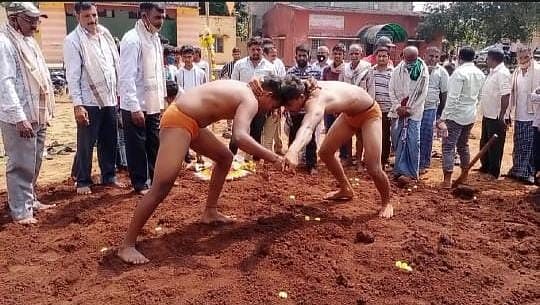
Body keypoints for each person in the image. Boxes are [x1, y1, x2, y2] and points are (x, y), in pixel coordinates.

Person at [117, 77, 288, 264]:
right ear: (268, 95)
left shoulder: (247, 89)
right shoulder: (251, 100)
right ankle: (127, 245)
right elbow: (239, 137)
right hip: (179, 119)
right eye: (273, 105)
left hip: (192, 122)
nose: (270, 110)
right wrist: (274, 158)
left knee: (225, 158)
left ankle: (210, 211)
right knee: (161, 186)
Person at [251, 76, 395, 218]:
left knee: (373, 166)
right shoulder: (300, 85)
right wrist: (256, 80)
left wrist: (293, 150)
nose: (287, 109)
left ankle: (386, 202)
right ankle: (346, 189)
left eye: (288, 105)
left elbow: (308, 127)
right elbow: (273, 80)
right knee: (325, 153)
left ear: (300, 97)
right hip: (349, 116)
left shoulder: (316, 102)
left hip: (369, 114)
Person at [0, 2, 56, 224]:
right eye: (30, 20)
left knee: (34, 160)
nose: (35, 25)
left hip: (37, 114)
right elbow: (5, 83)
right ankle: (21, 210)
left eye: (37, 20)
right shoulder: (5, 44)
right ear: (14, 19)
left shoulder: (29, 42)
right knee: (21, 163)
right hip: (19, 116)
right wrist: (19, 117)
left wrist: (45, 113)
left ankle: (29, 199)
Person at [64, 2, 124, 195]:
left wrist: (118, 94)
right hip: (88, 101)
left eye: (94, 15)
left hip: (109, 98)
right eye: (87, 16)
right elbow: (73, 75)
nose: (92, 20)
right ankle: (83, 181)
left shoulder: (105, 34)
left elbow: (114, 64)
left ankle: (109, 176)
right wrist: (78, 105)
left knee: (110, 140)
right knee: (86, 143)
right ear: (77, 17)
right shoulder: (73, 40)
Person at [119, 2, 166, 195]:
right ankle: (140, 183)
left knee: (154, 143)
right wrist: (134, 107)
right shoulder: (132, 40)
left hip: (153, 103)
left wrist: (162, 101)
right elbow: (126, 76)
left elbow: (159, 72)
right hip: (136, 104)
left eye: (163, 17)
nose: (161, 21)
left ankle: (155, 181)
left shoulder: (155, 39)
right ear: (144, 15)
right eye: (157, 17)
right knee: (137, 145)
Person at [436, 46, 486, 188]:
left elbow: (452, 98)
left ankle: (447, 180)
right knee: (463, 146)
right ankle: (464, 176)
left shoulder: (459, 73)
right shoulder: (480, 73)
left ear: (459, 57)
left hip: (455, 115)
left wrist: (443, 117)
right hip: (470, 115)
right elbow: (479, 96)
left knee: (448, 146)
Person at [228, 36, 276, 159]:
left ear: (262, 50)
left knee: (256, 133)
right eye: (253, 49)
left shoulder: (270, 67)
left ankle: (254, 162)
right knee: (237, 134)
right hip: (241, 106)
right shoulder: (239, 65)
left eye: (258, 49)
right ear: (248, 49)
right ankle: (229, 160)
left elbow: (274, 87)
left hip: (260, 107)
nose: (255, 52)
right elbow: (233, 84)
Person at [388, 46, 429, 183]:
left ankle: (411, 172)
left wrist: (410, 110)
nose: (411, 63)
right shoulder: (396, 71)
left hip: (415, 113)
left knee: (413, 141)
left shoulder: (423, 71)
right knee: (398, 139)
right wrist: (399, 107)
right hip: (399, 111)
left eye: (414, 60)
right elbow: (391, 90)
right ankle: (399, 170)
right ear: (403, 57)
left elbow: (422, 94)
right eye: (408, 60)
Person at [506, 46, 540, 184]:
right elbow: (512, 93)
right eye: (520, 57)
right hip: (519, 114)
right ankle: (517, 170)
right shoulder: (517, 72)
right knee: (519, 143)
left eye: (526, 57)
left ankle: (528, 173)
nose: (523, 60)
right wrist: (508, 112)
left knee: (530, 146)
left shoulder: (538, 70)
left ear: (531, 55)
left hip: (533, 115)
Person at [286, 44, 322, 174]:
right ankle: (290, 164)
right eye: (299, 55)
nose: (301, 58)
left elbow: (319, 92)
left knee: (310, 139)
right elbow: (288, 93)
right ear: (295, 56)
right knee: (293, 137)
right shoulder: (290, 72)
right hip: (295, 112)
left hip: (310, 112)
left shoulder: (316, 72)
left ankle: (312, 165)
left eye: (304, 55)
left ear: (309, 57)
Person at [478, 48, 511, 179]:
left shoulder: (503, 73)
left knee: (495, 146)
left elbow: (506, 95)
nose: (486, 61)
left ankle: (493, 172)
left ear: (493, 59)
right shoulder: (493, 72)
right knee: (485, 141)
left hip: (496, 116)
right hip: (488, 113)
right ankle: (485, 166)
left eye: (487, 58)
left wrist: (502, 115)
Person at [359, 46, 394, 167]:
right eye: (380, 56)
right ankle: (368, 158)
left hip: (386, 110)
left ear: (388, 58)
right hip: (373, 109)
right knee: (371, 135)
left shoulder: (392, 73)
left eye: (384, 56)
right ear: (376, 58)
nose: (382, 58)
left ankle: (383, 160)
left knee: (384, 136)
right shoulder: (370, 72)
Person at [340, 44, 371, 170]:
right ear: (348, 54)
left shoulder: (368, 69)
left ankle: (358, 161)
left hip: (361, 105)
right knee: (347, 134)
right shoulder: (344, 69)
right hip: (347, 105)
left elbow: (370, 88)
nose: (354, 56)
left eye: (356, 53)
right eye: (352, 53)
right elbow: (340, 86)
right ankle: (348, 159)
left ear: (361, 54)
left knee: (360, 135)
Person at [419, 47, 449, 174]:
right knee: (415, 135)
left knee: (426, 136)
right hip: (416, 107)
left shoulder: (442, 72)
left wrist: (440, 114)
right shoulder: (418, 68)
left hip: (431, 108)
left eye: (437, 57)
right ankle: (413, 161)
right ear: (425, 55)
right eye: (431, 56)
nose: (434, 59)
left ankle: (424, 163)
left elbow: (444, 94)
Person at [322, 43, 350, 165]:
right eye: (335, 53)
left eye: (340, 54)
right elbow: (323, 87)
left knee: (343, 132)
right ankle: (329, 155)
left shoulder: (347, 70)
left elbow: (346, 89)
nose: (337, 56)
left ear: (344, 55)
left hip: (343, 105)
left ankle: (344, 156)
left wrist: (340, 107)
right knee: (330, 131)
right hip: (329, 105)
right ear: (332, 54)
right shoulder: (327, 70)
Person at [262, 43, 286, 155]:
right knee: (267, 130)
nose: (274, 57)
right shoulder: (263, 66)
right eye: (272, 55)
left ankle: (278, 146)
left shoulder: (278, 64)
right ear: (265, 55)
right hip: (265, 101)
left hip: (276, 99)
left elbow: (282, 81)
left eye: (275, 55)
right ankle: (267, 152)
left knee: (276, 125)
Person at [219, 47, 242, 138]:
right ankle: (229, 127)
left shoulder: (243, 64)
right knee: (230, 108)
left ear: (240, 54)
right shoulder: (228, 65)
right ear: (232, 55)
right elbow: (221, 75)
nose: (236, 56)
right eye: (235, 54)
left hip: (241, 90)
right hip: (232, 90)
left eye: (238, 54)